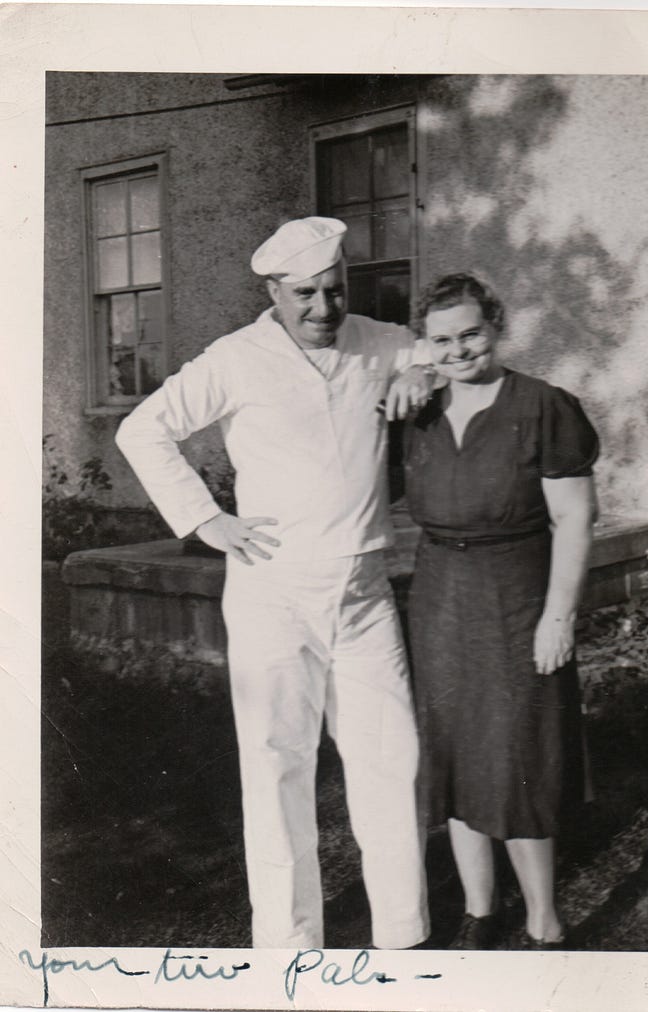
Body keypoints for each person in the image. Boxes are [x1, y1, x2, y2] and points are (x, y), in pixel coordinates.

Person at [116, 217, 433, 950]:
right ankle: (290, 948)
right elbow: (144, 429)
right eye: (305, 295)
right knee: (277, 765)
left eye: (333, 290)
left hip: (364, 593)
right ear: (273, 292)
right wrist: (204, 519)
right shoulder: (236, 359)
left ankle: (404, 937)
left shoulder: (376, 342)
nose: (323, 309)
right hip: (273, 594)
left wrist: (422, 369)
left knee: (391, 760)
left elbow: (442, 355)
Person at [403, 272, 599, 950]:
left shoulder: (543, 406)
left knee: (520, 751)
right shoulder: (417, 412)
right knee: (454, 751)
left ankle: (544, 918)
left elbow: (575, 518)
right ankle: (480, 911)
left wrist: (558, 617)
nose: (459, 351)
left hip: (517, 593)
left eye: (471, 334)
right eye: (442, 340)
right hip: (439, 598)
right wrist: (399, 380)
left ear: (495, 327)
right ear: (425, 346)